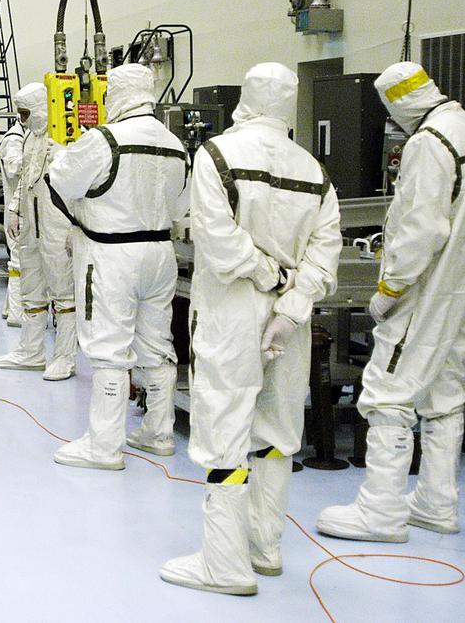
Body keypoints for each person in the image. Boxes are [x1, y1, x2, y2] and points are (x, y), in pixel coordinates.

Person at [160, 62, 340, 596]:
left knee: (224, 427)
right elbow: (325, 253)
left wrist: (266, 276)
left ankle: (224, 563)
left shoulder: (217, 155)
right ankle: (265, 547)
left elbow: (217, 242)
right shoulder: (314, 170)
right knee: (278, 429)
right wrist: (291, 306)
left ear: (247, 97)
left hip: (233, 309)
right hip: (290, 318)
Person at [317, 63, 465, 543]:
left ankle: (381, 511)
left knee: (387, 393)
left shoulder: (428, 141)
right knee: (444, 395)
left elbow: (422, 227)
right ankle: (436, 502)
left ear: (395, 102)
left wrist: (390, 289)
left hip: (426, 293)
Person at [46, 64, 189, 470]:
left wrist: (65, 157)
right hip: (160, 253)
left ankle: (104, 446)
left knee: (108, 348)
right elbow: (181, 206)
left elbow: (61, 181)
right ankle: (158, 433)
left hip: (112, 256)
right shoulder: (176, 145)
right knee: (157, 344)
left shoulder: (105, 140)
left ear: (120, 94)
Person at [0, 82, 78, 380]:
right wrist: (15, 211)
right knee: (31, 287)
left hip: (57, 225)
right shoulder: (30, 138)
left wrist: (76, 227)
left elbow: (81, 187)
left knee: (63, 292)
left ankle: (65, 357)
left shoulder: (66, 138)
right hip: (31, 224)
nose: (22, 119)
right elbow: (25, 179)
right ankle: (31, 351)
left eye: (26, 113)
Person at [0, 113, 25, 327]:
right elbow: (14, 168)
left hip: (24, 209)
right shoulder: (14, 138)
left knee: (20, 259)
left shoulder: (27, 135)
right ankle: (17, 315)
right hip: (18, 211)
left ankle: (9, 308)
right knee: (19, 261)